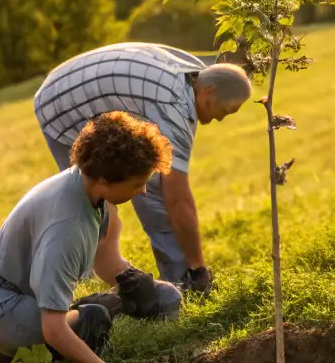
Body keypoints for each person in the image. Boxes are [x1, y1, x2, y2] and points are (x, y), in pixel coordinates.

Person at [0, 112, 176, 363]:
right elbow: (54, 329)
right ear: (105, 179)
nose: (141, 190)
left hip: (13, 298)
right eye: (137, 183)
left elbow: (103, 260)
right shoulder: (68, 227)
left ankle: (21, 354)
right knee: (93, 319)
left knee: (116, 302)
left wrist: (130, 281)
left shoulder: (84, 186)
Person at [33, 42, 252, 295]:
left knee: (143, 183)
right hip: (60, 102)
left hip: (81, 82)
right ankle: (181, 281)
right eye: (224, 111)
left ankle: (171, 280)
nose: (220, 119)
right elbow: (178, 201)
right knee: (91, 200)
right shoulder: (175, 107)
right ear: (208, 92)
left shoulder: (194, 75)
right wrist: (199, 267)